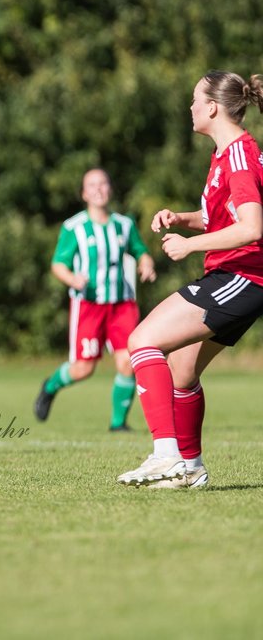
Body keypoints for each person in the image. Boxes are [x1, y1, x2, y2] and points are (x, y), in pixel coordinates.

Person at [116, 70, 263, 489]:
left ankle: (165, 456)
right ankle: (190, 468)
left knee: (142, 341)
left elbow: (252, 226)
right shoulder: (230, 153)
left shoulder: (237, 154)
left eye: (196, 100)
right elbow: (228, 215)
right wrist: (183, 219)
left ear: (213, 107)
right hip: (242, 278)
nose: (191, 107)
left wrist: (189, 246)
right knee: (181, 370)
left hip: (242, 275)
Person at [33, 169, 156, 430]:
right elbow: (58, 264)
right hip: (88, 305)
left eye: (103, 183)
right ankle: (51, 386)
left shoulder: (124, 225)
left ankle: (117, 424)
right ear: (84, 193)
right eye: (92, 185)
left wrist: (146, 263)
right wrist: (72, 279)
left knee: (128, 362)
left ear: (110, 189)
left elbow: (140, 250)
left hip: (122, 304)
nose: (99, 189)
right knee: (83, 369)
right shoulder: (73, 227)